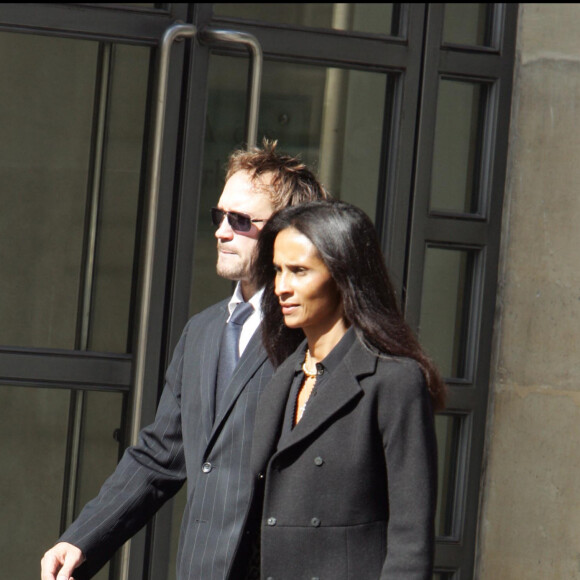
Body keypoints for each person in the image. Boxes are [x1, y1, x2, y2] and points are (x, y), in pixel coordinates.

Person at [41, 141, 330, 580]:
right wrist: (81, 539)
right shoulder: (202, 331)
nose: (221, 232)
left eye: (240, 221)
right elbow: (160, 455)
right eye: (219, 217)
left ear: (286, 232)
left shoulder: (315, 334)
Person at [249, 200, 446, 579]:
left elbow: (411, 538)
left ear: (343, 275)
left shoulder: (393, 380)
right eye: (276, 271)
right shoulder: (283, 376)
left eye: (299, 271)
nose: (280, 288)